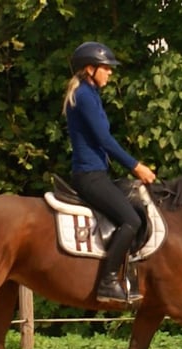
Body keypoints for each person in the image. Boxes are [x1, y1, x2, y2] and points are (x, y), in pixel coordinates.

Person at [62, 41, 157, 303]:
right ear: (90, 69)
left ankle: (129, 274)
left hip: (98, 173)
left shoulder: (91, 94)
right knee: (131, 220)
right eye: (106, 68)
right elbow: (105, 140)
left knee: (139, 208)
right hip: (89, 176)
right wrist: (136, 166)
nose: (110, 72)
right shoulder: (83, 96)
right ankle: (108, 281)